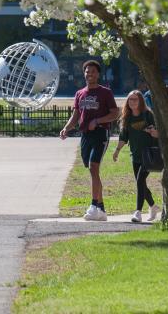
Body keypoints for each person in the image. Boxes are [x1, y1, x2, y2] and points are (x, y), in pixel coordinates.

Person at [60, 60, 119, 221]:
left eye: (92, 71)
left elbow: (115, 113)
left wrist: (98, 121)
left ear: (98, 74)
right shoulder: (80, 93)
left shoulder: (105, 93)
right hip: (85, 135)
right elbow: (76, 115)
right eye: (87, 71)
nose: (89, 74)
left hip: (101, 133)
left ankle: (93, 205)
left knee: (94, 167)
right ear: (84, 73)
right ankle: (101, 210)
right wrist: (66, 128)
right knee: (92, 170)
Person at [113, 90, 161, 223]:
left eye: (135, 99)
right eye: (130, 99)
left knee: (140, 181)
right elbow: (124, 137)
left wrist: (153, 132)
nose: (132, 102)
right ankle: (153, 206)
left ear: (141, 101)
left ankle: (138, 212)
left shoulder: (148, 115)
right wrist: (117, 151)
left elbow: (158, 133)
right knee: (141, 183)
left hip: (149, 154)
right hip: (135, 155)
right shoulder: (127, 118)